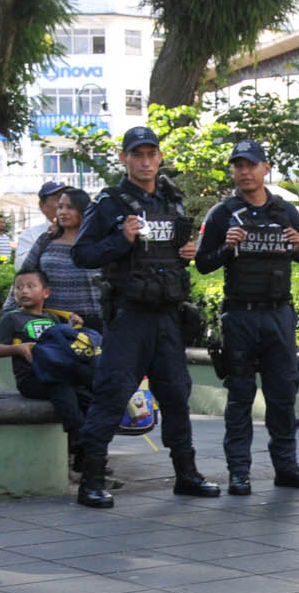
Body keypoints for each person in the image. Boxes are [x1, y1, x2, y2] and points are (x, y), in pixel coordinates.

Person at [69, 125, 219, 507]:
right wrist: (121, 240)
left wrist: (188, 252)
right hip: (129, 316)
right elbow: (82, 254)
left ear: (160, 157)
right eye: (138, 154)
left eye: (151, 154)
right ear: (125, 159)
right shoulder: (109, 202)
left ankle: (186, 474)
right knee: (112, 394)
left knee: (175, 394)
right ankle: (91, 481)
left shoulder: (172, 200)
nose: (146, 161)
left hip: (167, 316)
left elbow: (180, 250)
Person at [193, 140, 299, 496]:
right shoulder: (223, 213)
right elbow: (203, 263)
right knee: (240, 397)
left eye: (251, 164)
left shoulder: (285, 210)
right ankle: (239, 472)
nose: (244, 172)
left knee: (282, 396)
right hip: (240, 316)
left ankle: (287, 467)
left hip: (278, 314)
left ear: (266, 168)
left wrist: (298, 246)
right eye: (238, 165)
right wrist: (226, 247)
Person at [0, 266, 95, 463]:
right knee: (62, 389)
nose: (24, 291)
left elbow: (62, 347)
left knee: (86, 394)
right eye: (18, 287)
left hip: (55, 373)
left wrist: (73, 327)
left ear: (46, 292)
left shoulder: (53, 318)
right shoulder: (11, 318)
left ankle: (87, 452)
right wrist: (18, 349)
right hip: (32, 378)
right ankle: (78, 441)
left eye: (30, 286)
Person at [18, 188, 98, 326]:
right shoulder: (45, 241)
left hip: (92, 322)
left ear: (83, 211)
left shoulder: (98, 244)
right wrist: (9, 313)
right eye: (60, 207)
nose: (63, 212)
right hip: (49, 321)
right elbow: (23, 277)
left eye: (70, 207)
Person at [14, 181, 66, 270]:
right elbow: (21, 267)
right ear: (42, 206)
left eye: (67, 198)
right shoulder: (30, 235)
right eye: (58, 198)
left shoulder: (82, 231)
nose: (65, 203)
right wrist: (48, 239)